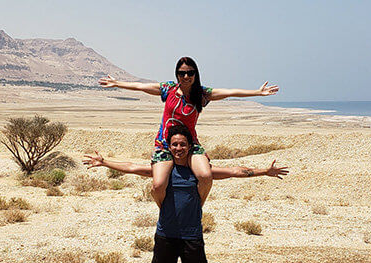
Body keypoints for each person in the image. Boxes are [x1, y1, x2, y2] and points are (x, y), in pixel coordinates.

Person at [83, 123, 287, 263]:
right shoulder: (163, 170)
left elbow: (235, 172)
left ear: (190, 146)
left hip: (192, 235)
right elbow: (132, 167)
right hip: (166, 234)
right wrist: (104, 163)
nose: (179, 148)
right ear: (169, 147)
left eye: (182, 144)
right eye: (174, 144)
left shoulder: (200, 171)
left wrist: (264, 172)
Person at [99, 57, 278, 206]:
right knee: (158, 185)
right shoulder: (168, 89)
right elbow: (141, 87)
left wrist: (257, 92)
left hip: (190, 143)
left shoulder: (202, 94)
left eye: (190, 72)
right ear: (177, 75)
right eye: (182, 73)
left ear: (195, 74)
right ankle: (165, 210)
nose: (186, 76)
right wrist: (116, 83)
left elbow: (229, 92)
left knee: (206, 176)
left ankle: (196, 207)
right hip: (164, 143)